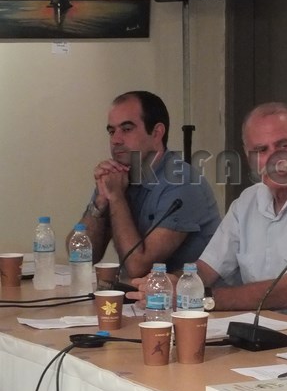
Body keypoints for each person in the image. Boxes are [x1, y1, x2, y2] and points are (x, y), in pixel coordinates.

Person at [129, 102, 287, 321]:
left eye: (283, 146)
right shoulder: (247, 201)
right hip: (256, 333)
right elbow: (206, 269)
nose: (275, 158)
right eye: (261, 150)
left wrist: (196, 298)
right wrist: (172, 283)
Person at [69, 91, 221, 278]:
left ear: (157, 133)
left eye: (126, 129)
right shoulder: (118, 177)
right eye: (111, 131)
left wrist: (116, 197)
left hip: (193, 295)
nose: (115, 140)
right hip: (142, 294)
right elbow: (79, 255)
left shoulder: (182, 183)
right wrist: (100, 203)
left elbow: (138, 267)